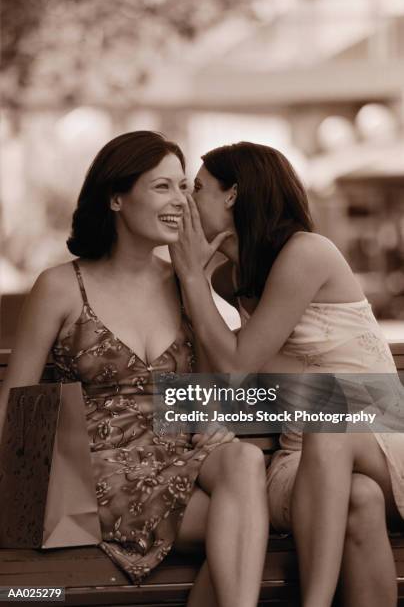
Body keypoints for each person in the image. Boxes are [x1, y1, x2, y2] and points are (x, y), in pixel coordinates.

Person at [0, 132, 269, 607]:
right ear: (116, 197)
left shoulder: (186, 281)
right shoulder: (61, 286)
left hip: (178, 459)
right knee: (243, 532)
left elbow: (208, 392)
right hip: (91, 476)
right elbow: (15, 400)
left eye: (185, 187)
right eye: (162, 186)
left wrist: (214, 422)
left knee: (244, 463)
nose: (180, 200)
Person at [169, 140, 404, 607]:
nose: (185, 202)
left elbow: (238, 362)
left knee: (330, 423)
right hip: (301, 457)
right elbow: (223, 372)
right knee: (358, 500)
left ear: (233, 195)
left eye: (196, 188)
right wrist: (215, 412)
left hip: (381, 434)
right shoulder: (227, 278)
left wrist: (191, 279)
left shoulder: (306, 253)